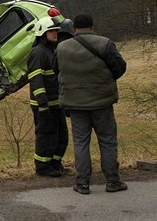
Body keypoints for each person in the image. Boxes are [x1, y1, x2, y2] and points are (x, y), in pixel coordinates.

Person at [53, 14, 127, 195]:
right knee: (108, 141)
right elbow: (120, 67)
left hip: (76, 103)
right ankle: (112, 181)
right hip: (102, 102)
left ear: (74, 28)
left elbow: (55, 69)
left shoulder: (62, 47)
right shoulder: (105, 44)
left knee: (81, 142)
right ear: (92, 26)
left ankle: (83, 183)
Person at [27, 16, 68, 177]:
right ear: (42, 33)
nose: (55, 34)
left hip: (56, 103)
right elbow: (36, 81)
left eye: (56, 31)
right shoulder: (38, 53)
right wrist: (42, 104)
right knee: (46, 136)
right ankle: (43, 167)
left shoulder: (52, 50)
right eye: (51, 31)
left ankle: (55, 163)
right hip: (44, 105)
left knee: (61, 135)